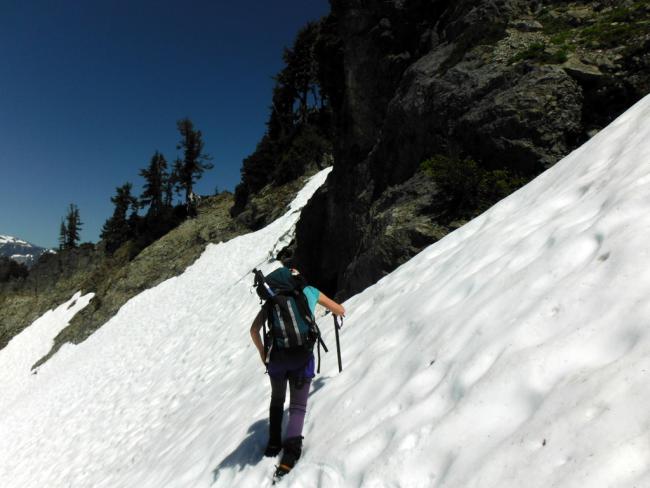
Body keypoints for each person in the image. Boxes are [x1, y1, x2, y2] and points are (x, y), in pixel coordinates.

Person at [249, 267, 345, 478]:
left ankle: (274, 443)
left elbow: (254, 330)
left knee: (277, 398)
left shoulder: (273, 300)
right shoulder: (309, 292)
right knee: (298, 406)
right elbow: (340, 310)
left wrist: (263, 353)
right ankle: (291, 454)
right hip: (302, 358)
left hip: (277, 360)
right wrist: (339, 312)